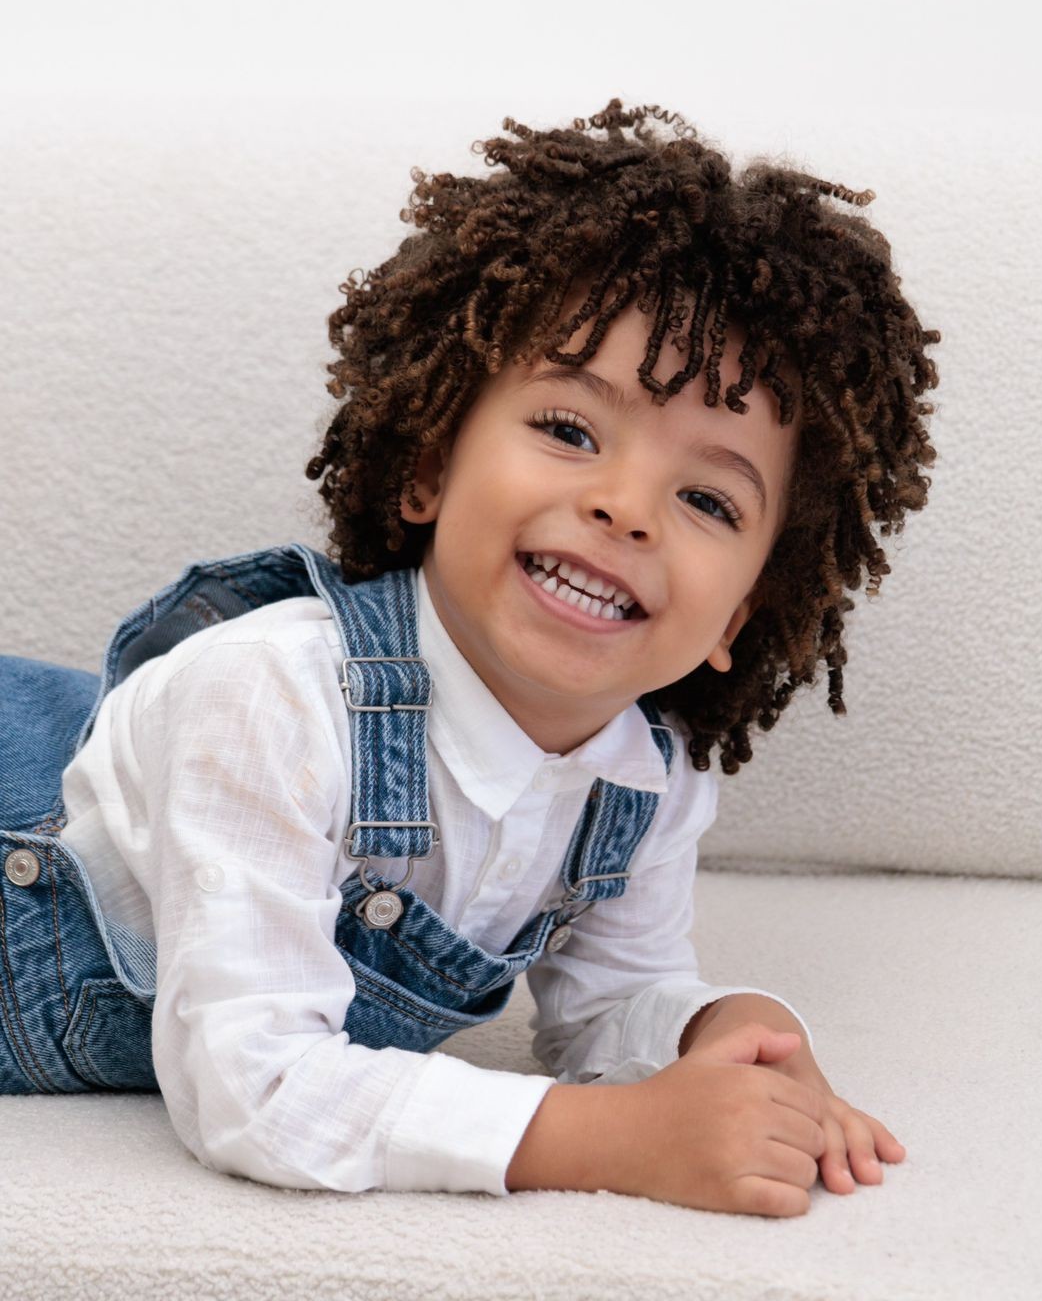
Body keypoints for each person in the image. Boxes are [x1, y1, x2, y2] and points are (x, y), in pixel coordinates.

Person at [0, 98, 937, 1218]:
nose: (626, 507)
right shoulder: (270, 700)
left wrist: (721, 1035)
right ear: (430, 465)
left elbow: (607, 1005)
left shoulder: (644, 780)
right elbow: (253, 1087)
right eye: (571, 431)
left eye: (706, 499)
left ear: (742, 613)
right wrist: (620, 1139)